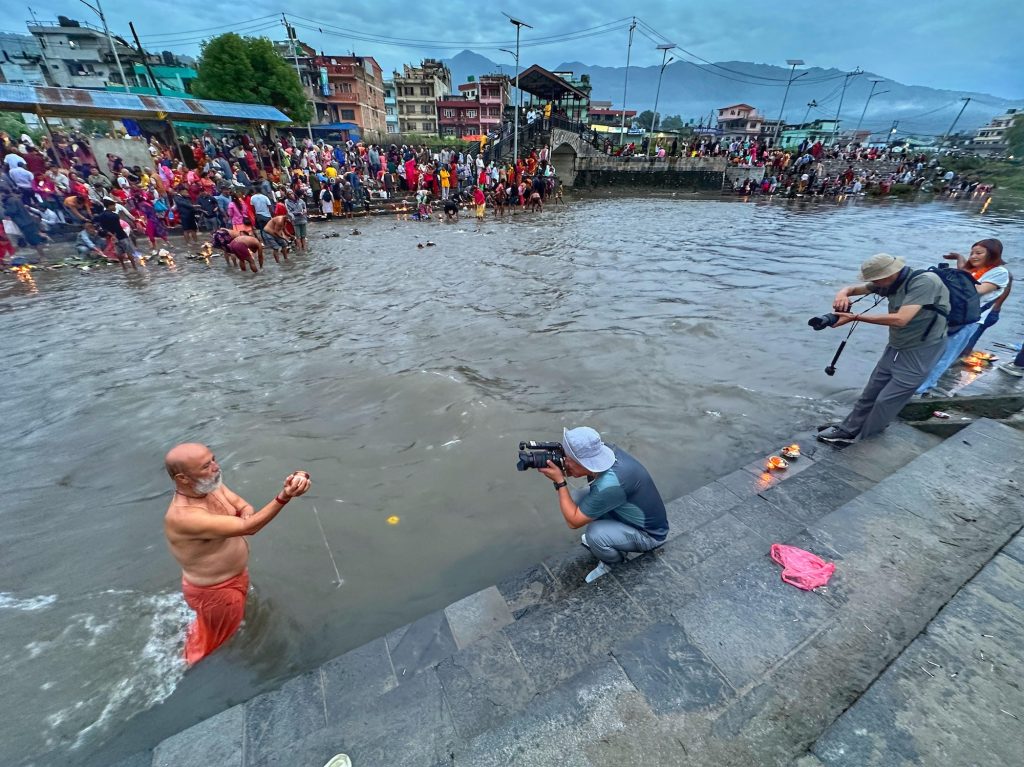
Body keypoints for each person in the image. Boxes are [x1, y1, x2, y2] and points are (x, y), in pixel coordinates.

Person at [163, 443, 311, 664]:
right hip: (216, 591)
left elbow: (244, 507)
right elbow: (249, 527)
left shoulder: (209, 485)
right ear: (183, 478)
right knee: (215, 646)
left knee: (210, 633)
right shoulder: (184, 516)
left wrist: (244, 518)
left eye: (213, 459)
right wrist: (284, 496)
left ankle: (188, 644)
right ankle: (184, 669)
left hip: (231, 578)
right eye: (206, 466)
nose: (216, 467)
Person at [818, 254, 949, 445]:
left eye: (875, 279)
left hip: (922, 348)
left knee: (886, 400)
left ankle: (866, 439)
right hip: (896, 343)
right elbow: (853, 289)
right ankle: (848, 429)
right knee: (871, 392)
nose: (873, 283)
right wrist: (842, 295)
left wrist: (855, 318)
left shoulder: (924, 282)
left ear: (890, 273)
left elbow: (901, 319)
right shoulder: (890, 282)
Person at [536, 427, 668, 583]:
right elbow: (584, 472)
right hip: (624, 511)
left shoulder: (611, 484)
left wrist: (559, 481)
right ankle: (612, 536)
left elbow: (573, 522)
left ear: (585, 462)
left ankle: (612, 564)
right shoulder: (606, 453)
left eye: (569, 459)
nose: (565, 461)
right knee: (576, 498)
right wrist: (561, 465)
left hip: (649, 535)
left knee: (595, 534)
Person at [916, 239, 1010, 395]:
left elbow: (977, 290)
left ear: (992, 255)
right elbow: (964, 277)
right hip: (951, 316)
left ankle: (922, 388)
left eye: (979, 253)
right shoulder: (975, 270)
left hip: (969, 320)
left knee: (945, 355)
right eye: (972, 253)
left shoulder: (999, 273)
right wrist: (959, 260)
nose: (973, 256)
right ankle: (917, 383)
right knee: (929, 351)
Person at [95, 198, 138, 271]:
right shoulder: (114, 216)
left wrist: (112, 235)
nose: (115, 207)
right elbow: (117, 227)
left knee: (119, 252)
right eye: (114, 206)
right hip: (121, 235)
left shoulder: (101, 216)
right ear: (109, 206)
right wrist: (115, 234)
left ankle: (124, 267)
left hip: (113, 237)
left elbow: (104, 228)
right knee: (128, 251)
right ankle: (134, 267)